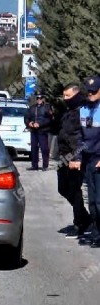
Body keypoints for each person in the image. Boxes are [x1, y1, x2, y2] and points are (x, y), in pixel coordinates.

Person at [57, 83, 91, 238]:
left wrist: (76, 158)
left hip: (74, 157)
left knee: (74, 191)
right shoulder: (70, 112)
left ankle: (81, 223)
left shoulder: (82, 113)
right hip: (64, 157)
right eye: (64, 96)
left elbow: (80, 138)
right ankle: (86, 218)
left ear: (76, 96)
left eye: (68, 96)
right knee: (63, 188)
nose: (65, 99)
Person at [73, 76, 100, 248]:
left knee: (99, 201)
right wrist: (76, 157)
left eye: (94, 91)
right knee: (91, 200)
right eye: (88, 91)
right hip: (88, 159)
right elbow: (79, 138)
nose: (90, 94)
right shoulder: (82, 109)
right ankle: (96, 233)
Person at [24, 90, 53, 171]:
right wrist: (29, 123)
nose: (39, 99)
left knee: (44, 148)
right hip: (34, 131)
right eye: (37, 98)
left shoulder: (47, 108)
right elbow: (26, 117)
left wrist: (40, 124)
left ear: (43, 98)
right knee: (34, 148)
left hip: (42, 131)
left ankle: (45, 165)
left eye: (40, 98)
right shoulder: (32, 108)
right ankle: (34, 165)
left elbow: (49, 119)